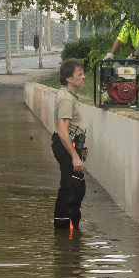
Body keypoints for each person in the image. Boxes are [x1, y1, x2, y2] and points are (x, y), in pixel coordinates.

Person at [52, 59, 87, 230]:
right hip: (67, 145)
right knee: (70, 188)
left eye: (82, 73)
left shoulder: (68, 95)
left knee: (77, 188)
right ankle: (62, 231)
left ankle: (72, 227)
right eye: (79, 74)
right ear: (69, 78)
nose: (83, 77)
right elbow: (62, 130)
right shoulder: (66, 99)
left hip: (71, 145)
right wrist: (74, 156)